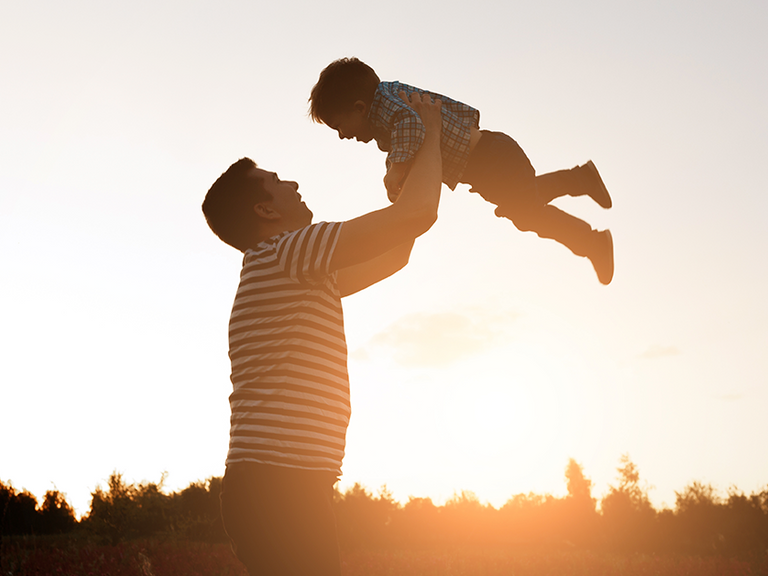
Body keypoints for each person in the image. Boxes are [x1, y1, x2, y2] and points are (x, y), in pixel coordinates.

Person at [201, 93, 444, 576]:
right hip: (277, 486)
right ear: (265, 212)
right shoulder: (288, 252)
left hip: (288, 485)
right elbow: (419, 215)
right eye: (275, 182)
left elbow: (398, 250)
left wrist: (409, 175)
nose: (291, 182)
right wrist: (432, 134)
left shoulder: (299, 269)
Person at [308, 57, 615, 285]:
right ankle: (580, 179)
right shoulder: (387, 111)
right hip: (487, 163)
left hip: (491, 158)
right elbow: (404, 140)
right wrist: (394, 170)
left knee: (525, 213)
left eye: (338, 126)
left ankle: (592, 242)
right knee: (522, 204)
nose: (341, 135)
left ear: (360, 107)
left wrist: (396, 170)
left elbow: (412, 126)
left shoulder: (387, 107)